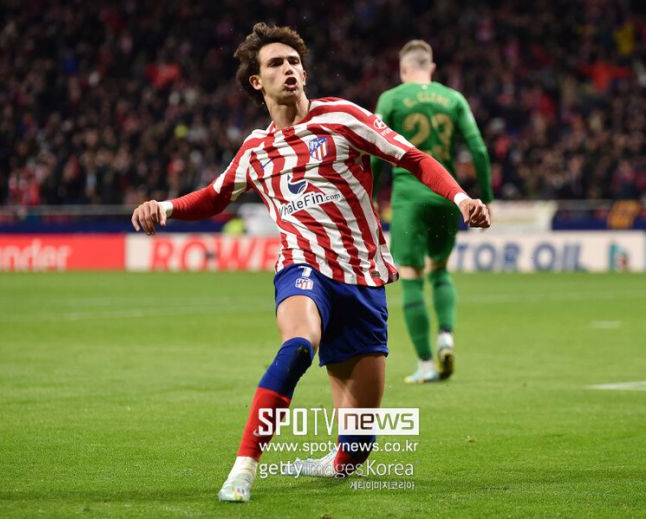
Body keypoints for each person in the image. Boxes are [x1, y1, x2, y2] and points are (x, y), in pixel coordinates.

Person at [131, 23, 490, 503]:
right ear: (257, 81)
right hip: (303, 266)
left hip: (363, 276)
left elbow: (414, 158)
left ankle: (334, 459)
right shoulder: (256, 150)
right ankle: (243, 469)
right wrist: (166, 207)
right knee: (300, 344)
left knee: (356, 451)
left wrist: (462, 198)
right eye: (276, 63)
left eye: (294, 62)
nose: (288, 69)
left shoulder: (343, 117)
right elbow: (215, 196)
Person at [370, 40, 493, 384]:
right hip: (447, 197)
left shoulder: (390, 99)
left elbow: (375, 151)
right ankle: (446, 337)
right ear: (432, 68)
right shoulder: (454, 99)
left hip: (408, 198)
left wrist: (371, 196)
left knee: (411, 274)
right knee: (439, 269)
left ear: (403, 69)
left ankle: (425, 363)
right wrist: (486, 198)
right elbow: (479, 150)